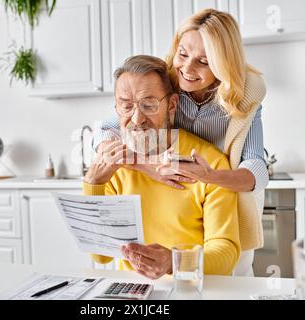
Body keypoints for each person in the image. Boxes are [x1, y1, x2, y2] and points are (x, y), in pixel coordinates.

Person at [93, 9, 267, 276]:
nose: (186, 69)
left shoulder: (242, 98)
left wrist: (209, 175)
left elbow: (256, 168)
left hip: (218, 186)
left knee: (233, 270)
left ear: (222, 64)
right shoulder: (168, 82)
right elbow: (111, 125)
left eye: (203, 61)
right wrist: (144, 164)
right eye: (183, 54)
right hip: (175, 179)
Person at [84, 55, 241, 279]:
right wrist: (93, 184)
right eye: (126, 106)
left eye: (149, 105)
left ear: (172, 105)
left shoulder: (209, 163)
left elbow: (226, 254)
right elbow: (101, 257)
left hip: (189, 289)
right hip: (133, 295)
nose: (137, 118)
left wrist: (173, 263)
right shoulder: (113, 167)